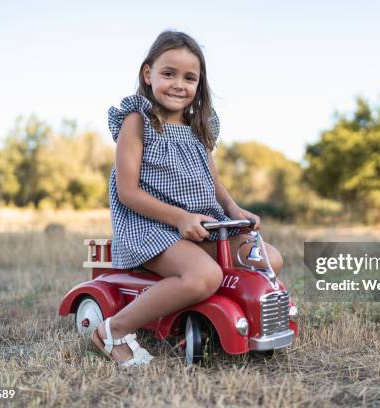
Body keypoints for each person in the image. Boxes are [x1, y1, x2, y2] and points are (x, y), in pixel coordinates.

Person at [91, 30, 284, 366]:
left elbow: (214, 184)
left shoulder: (200, 127)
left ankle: (210, 315)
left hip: (203, 226)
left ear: (199, 83)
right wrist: (179, 218)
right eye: (169, 74)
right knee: (204, 276)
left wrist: (233, 208)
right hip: (153, 228)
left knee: (268, 259)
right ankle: (113, 330)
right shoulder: (137, 123)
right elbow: (128, 191)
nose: (179, 84)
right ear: (148, 74)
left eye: (189, 77)